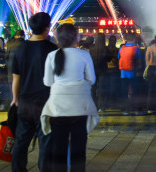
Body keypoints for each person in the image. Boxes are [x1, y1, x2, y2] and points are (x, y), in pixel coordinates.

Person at [41, 23, 99, 172]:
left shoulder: (52, 56)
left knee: (58, 147)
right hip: (79, 107)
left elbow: (48, 82)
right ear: (76, 38)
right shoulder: (84, 55)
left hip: (58, 107)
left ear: (58, 38)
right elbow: (92, 79)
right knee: (78, 148)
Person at [10, 13, 57, 172]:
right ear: (47, 28)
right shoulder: (53, 49)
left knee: (21, 142)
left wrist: (15, 99)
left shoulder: (20, 49)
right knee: (46, 142)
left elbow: (16, 78)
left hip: (25, 102)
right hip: (46, 102)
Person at [118, 34, 142, 114]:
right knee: (135, 92)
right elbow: (139, 61)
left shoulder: (122, 48)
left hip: (123, 73)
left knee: (124, 92)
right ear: (133, 39)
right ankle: (136, 110)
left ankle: (125, 110)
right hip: (133, 73)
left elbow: (119, 57)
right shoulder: (136, 49)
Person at [89, 33, 109, 113]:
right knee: (102, 89)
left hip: (94, 70)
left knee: (93, 89)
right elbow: (108, 59)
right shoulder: (105, 49)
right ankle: (102, 107)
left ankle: (94, 106)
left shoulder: (92, 48)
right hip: (103, 70)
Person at [145, 33, 156, 114]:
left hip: (149, 68)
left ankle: (150, 108)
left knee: (150, 90)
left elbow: (146, 60)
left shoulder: (149, 48)